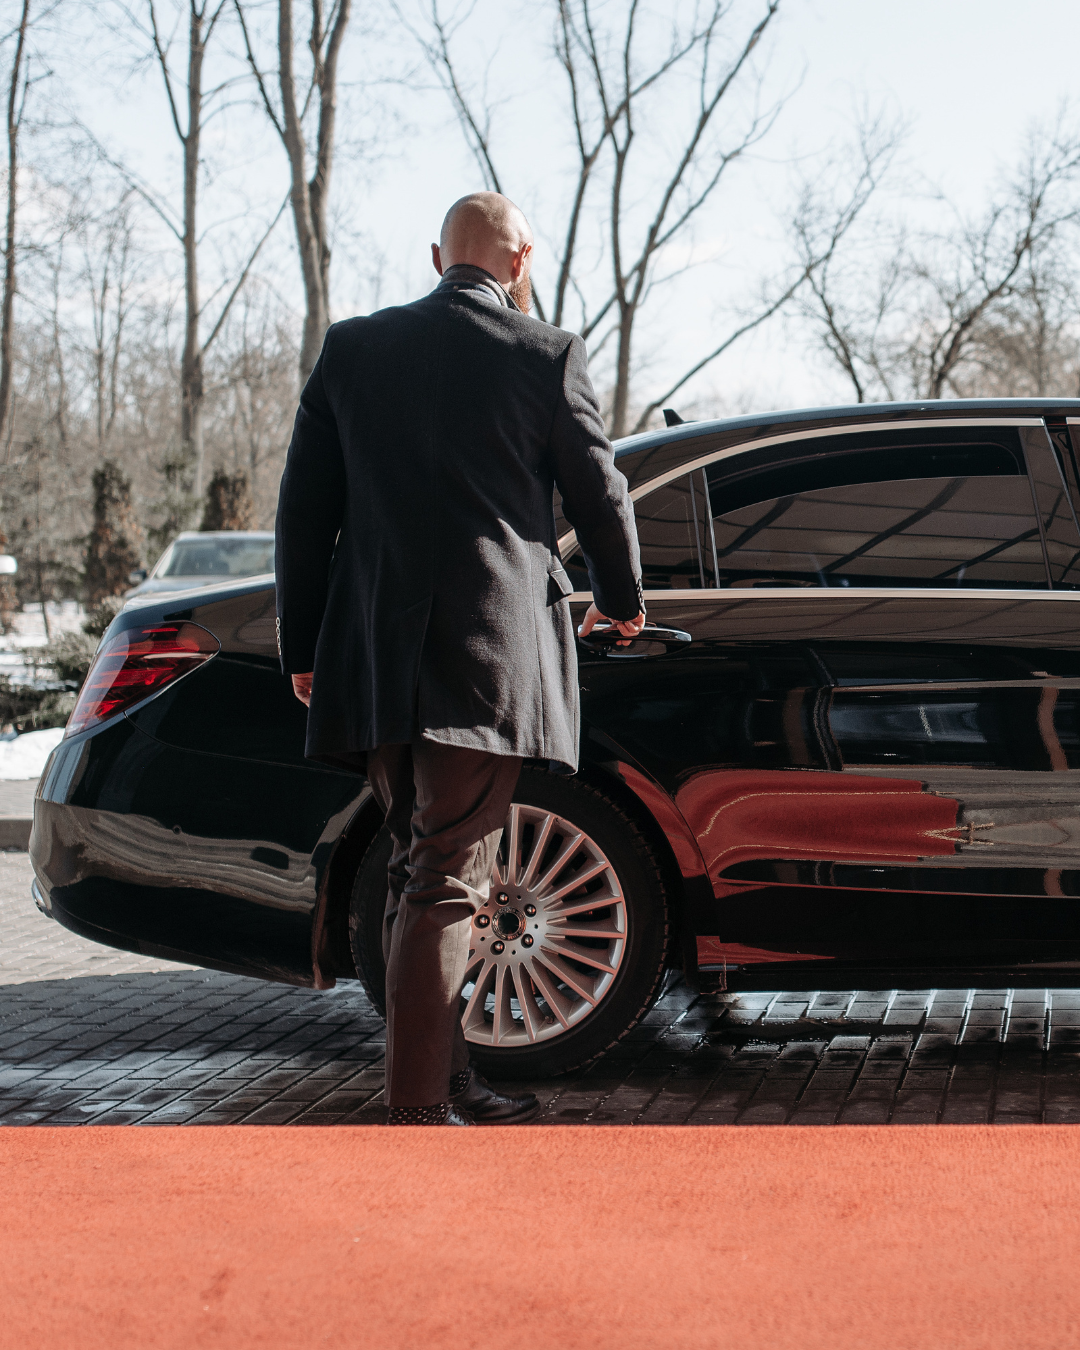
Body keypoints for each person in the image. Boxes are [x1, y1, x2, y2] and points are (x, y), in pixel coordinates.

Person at [275, 191, 645, 1126]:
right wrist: (623, 599)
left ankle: (444, 1082)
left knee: (418, 868)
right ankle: (416, 1111)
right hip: (484, 660)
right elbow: (600, 494)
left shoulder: (352, 350)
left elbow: (302, 508)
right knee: (444, 876)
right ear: (520, 262)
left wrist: (301, 645)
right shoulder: (545, 353)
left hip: (374, 656)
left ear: (436, 256)